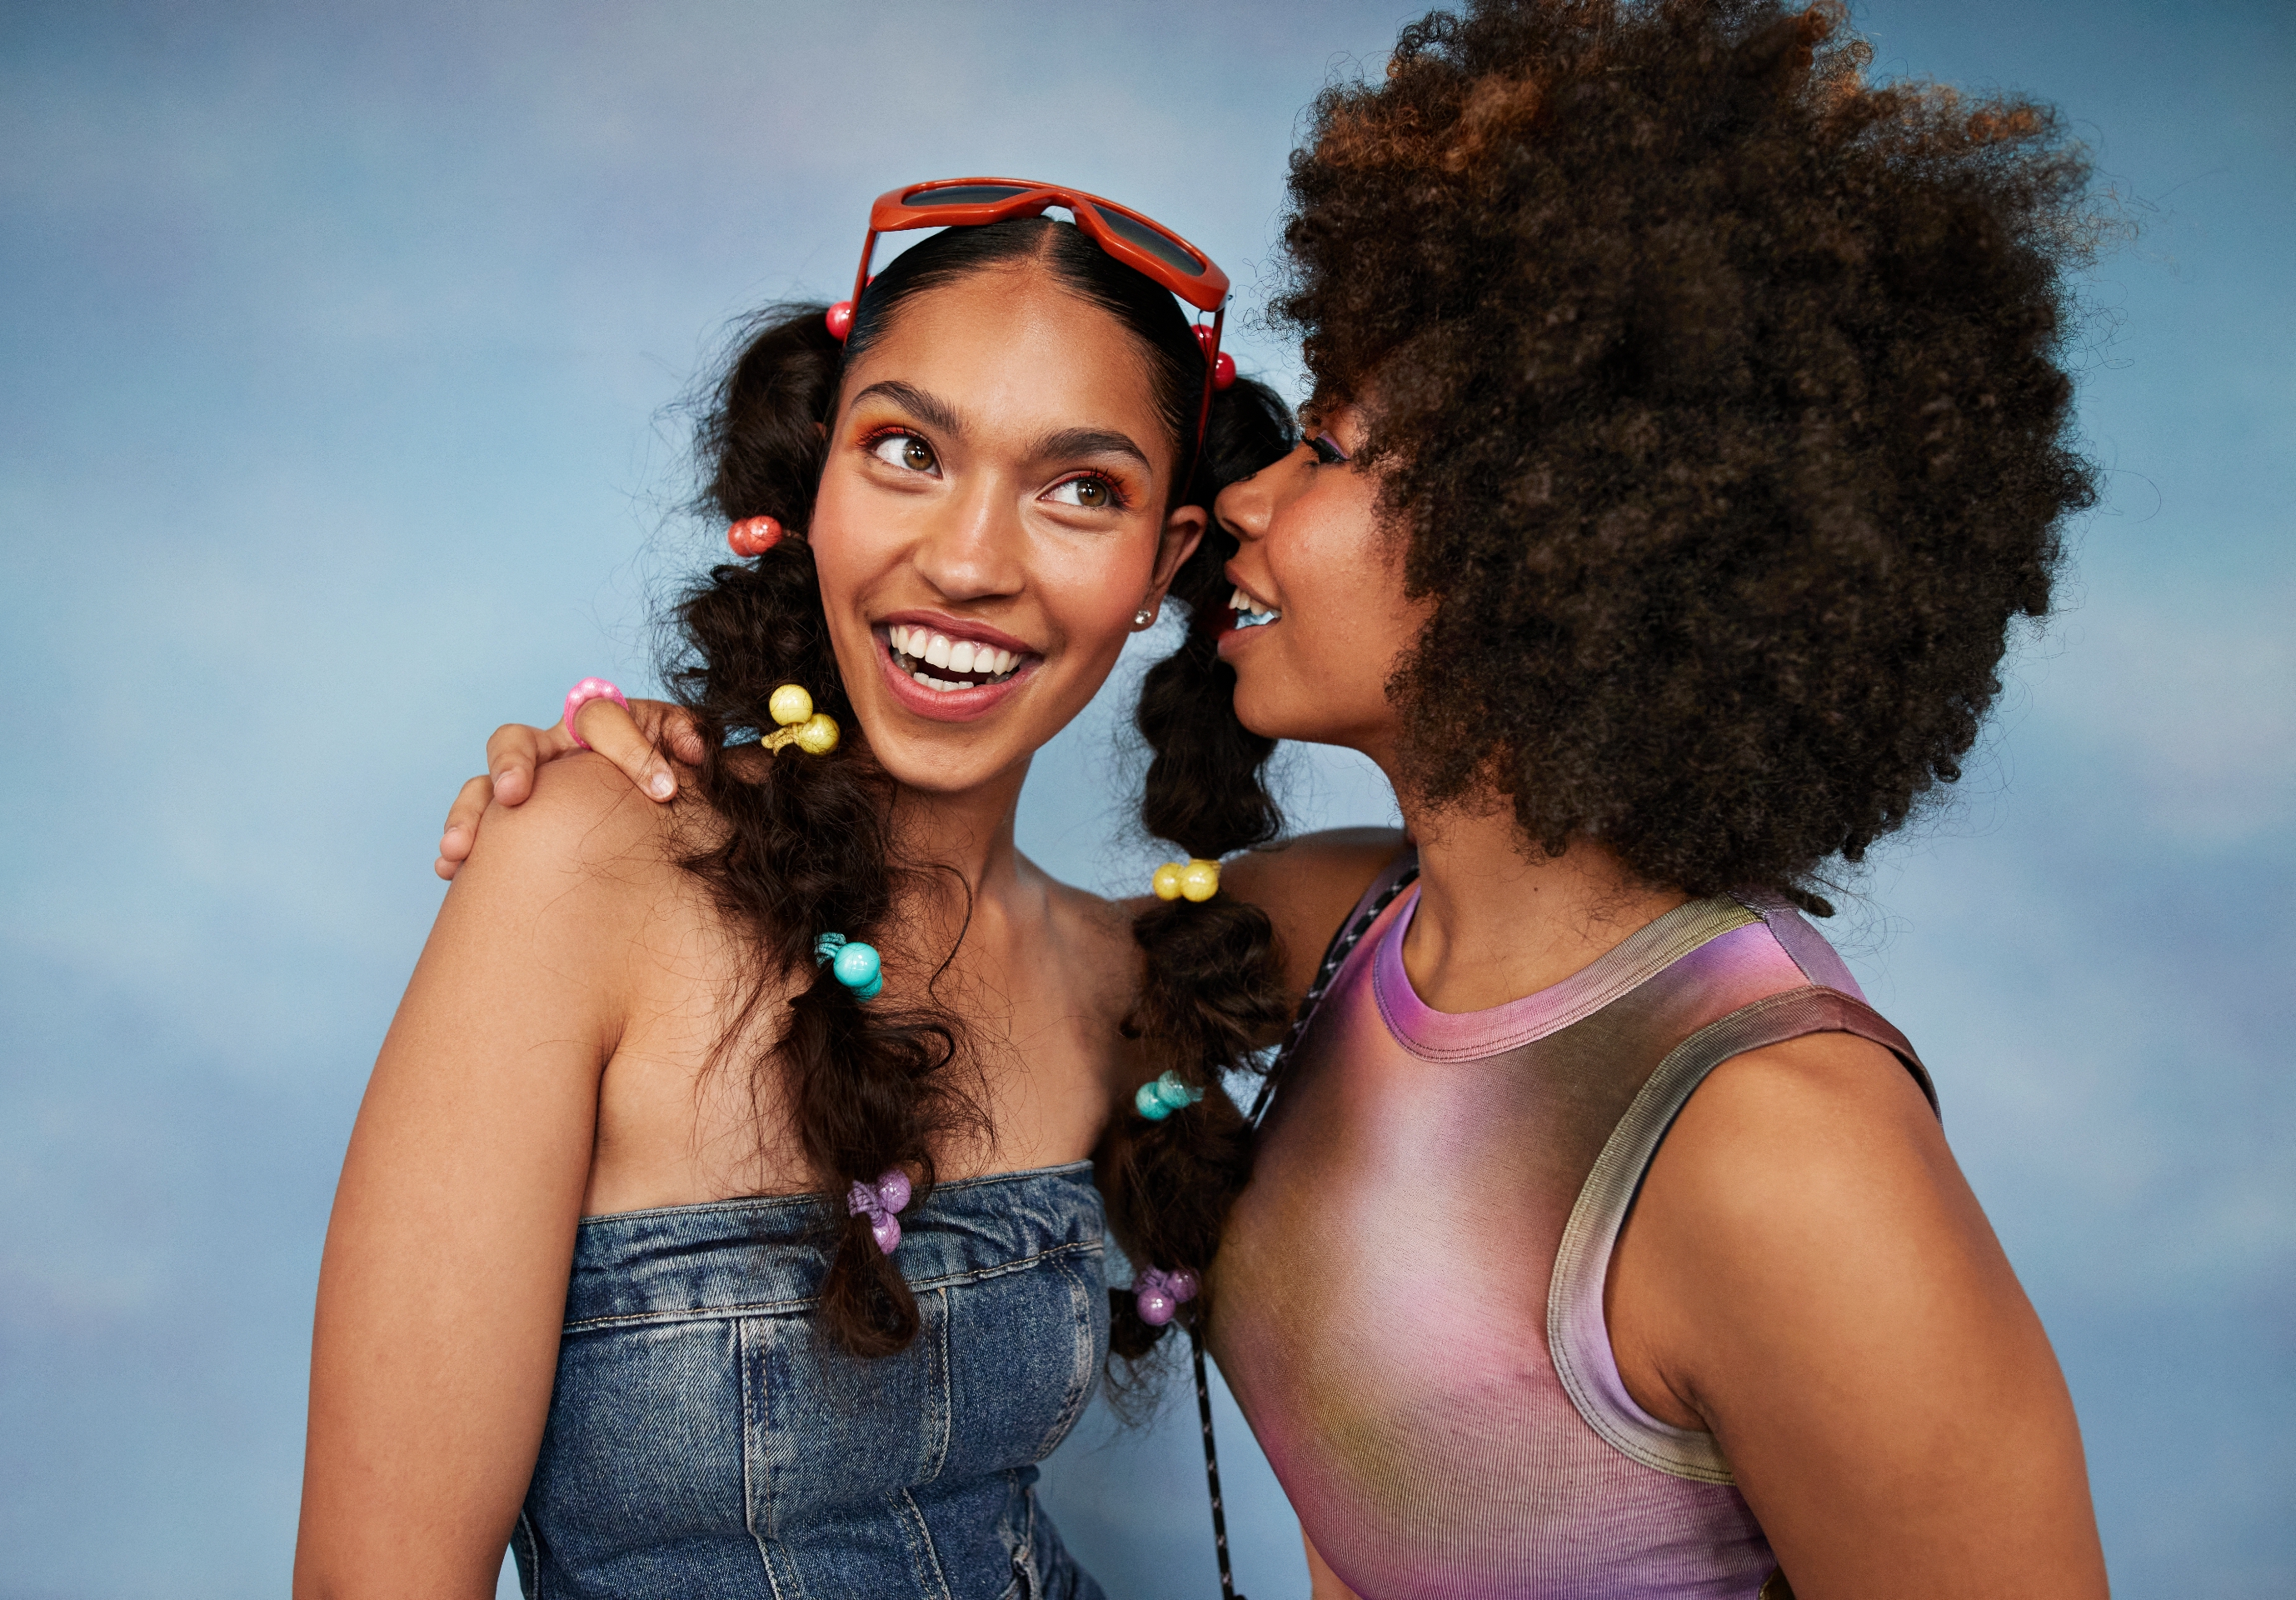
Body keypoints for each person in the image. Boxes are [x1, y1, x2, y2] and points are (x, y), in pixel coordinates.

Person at [448, 1, 2119, 1593]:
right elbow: (928, 938)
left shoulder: (1781, 1151)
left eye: (1328, 447)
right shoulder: (1345, 928)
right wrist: (662, 763)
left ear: (1545, 537)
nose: (1247, 495)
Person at [295, 183, 1306, 1600]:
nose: (965, 563)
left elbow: (1523, 885)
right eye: (905, 451)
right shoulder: (592, 862)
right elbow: (374, 1579)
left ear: (1169, 563)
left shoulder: (1129, 971)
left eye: (1082, 490)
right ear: (812, 487)